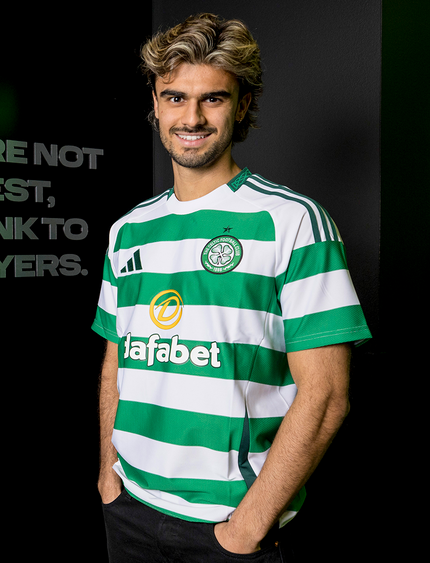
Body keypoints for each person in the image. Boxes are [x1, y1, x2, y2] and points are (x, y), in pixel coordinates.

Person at [91, 13, 371, 562]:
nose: (191, 117)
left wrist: (246, 527)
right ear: (155, 103)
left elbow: (326, 395)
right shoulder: (127, 230)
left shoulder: (292, 220)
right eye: (175, 97)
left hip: (227, 527)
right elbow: (116, 361)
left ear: (242, 106)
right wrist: (108, 473)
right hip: (128, 508)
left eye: (213, 99)